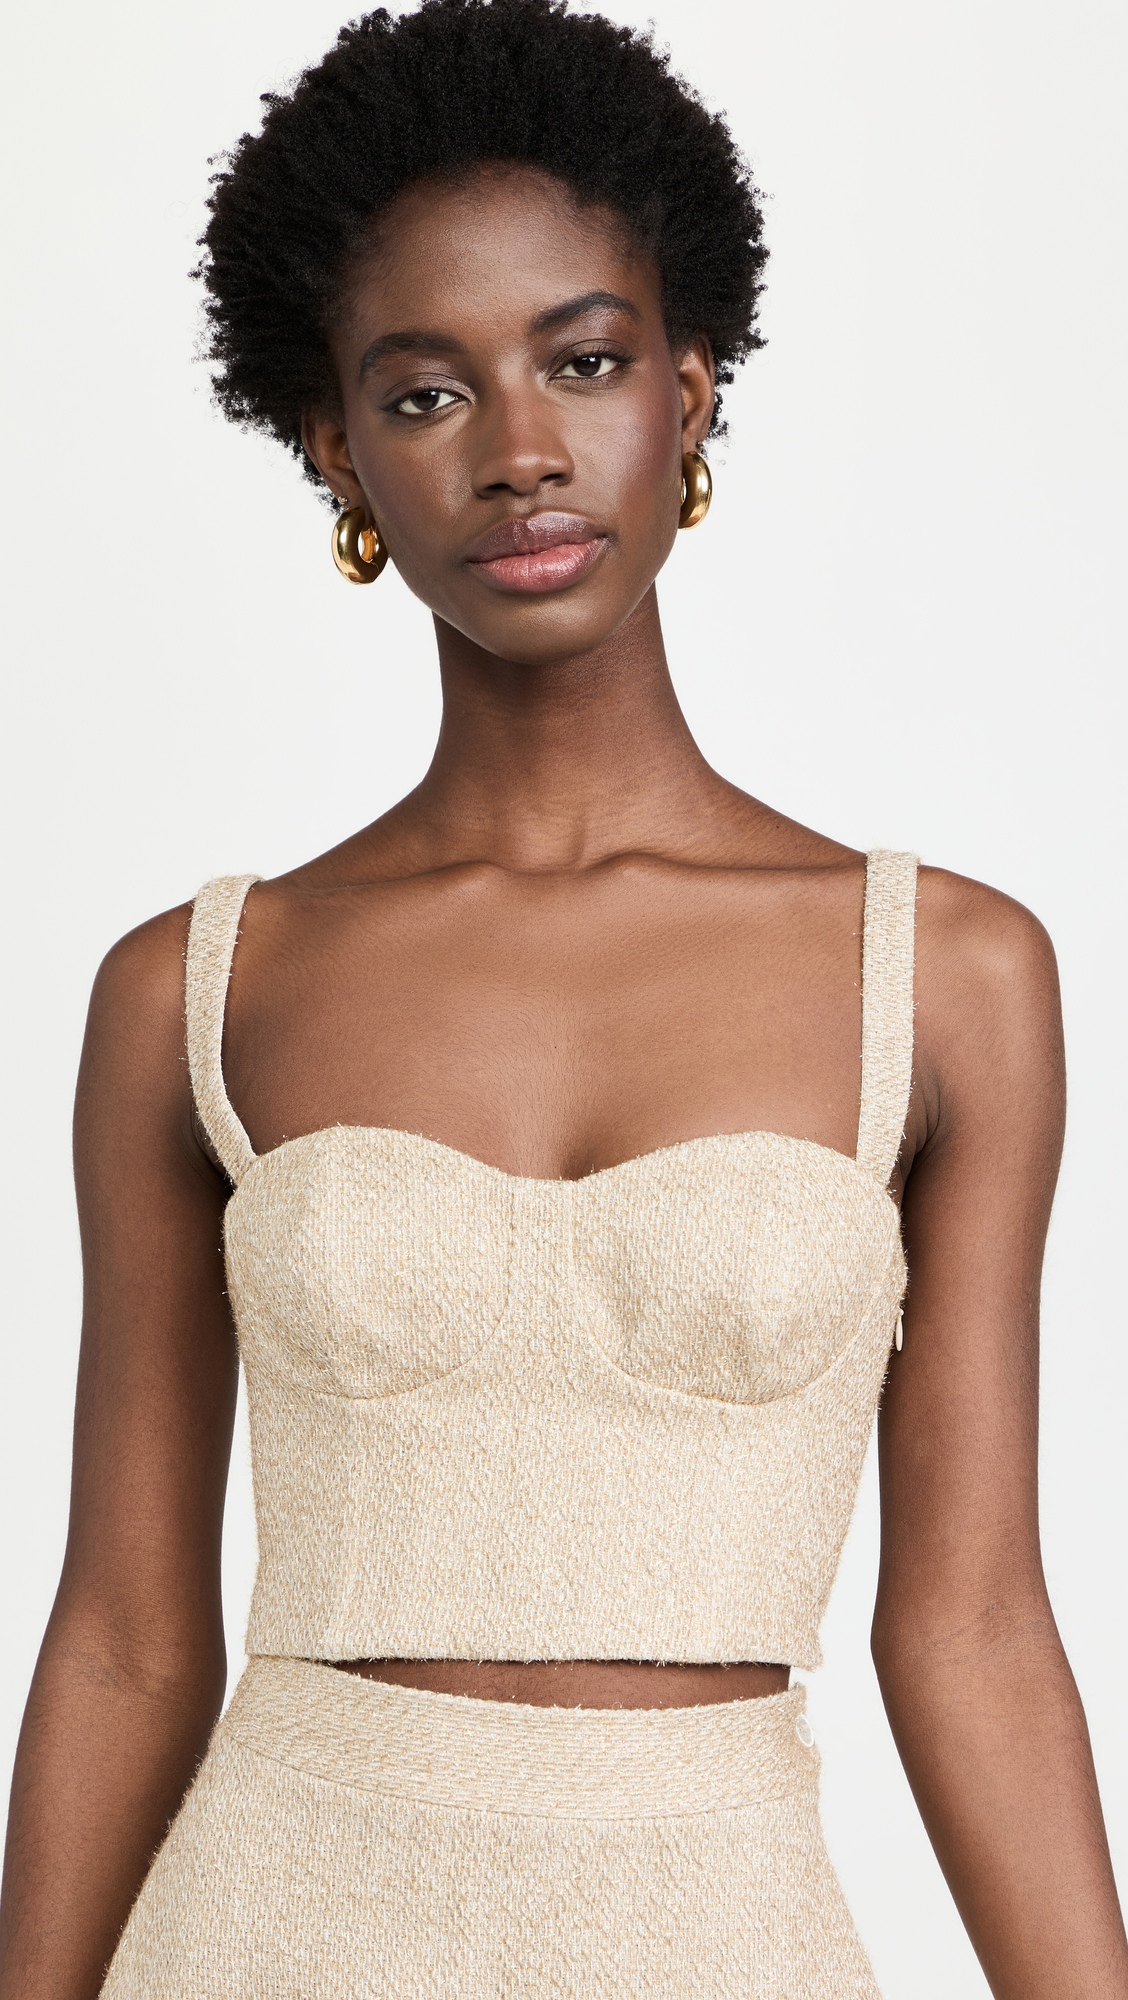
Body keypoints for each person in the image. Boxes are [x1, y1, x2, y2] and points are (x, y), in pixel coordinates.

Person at [0, 0, 1124, 1993]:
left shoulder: (945, 976)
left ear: (688, 392)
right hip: (268, 1930)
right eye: (428, 393)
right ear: (337, 448)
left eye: (585, 362)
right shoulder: (202, 986)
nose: (521, 452)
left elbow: (970, 1629)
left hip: (722, 1932)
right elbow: (127, 1640)